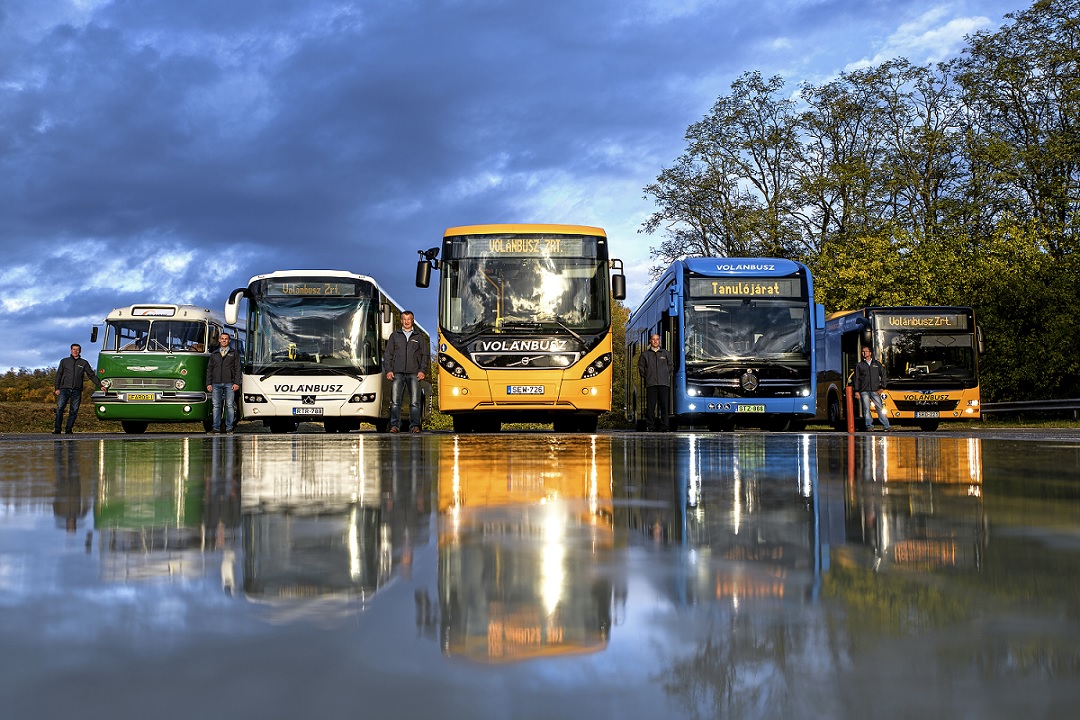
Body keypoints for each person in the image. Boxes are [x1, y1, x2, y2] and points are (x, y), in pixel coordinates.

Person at [384, 310, 429, 433]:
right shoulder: (395, 335)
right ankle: (394, 426)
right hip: (397, 373)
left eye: (409, 319)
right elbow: (388, 354)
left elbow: (425, 355)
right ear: (401, 321)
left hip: (414, 373)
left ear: (412, 320)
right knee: (395, 402)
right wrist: (388, 370)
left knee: (415, 402)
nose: (406, 321)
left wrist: (422, 370)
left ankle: (415, 426)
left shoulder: (418, 336)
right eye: (404, 319)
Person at [54, 343, 101, 434]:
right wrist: (57, 388)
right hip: (64, 389)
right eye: (74, 349)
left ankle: (68, 429)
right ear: (71, 350)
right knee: (60, 408)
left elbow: (91, 375)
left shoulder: (84, 363)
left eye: (77, 349)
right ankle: (57, 429)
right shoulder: (64, 361)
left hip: (77, 390)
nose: (75, 351)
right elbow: (58, 375)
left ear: (80, 351)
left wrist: (100, 386)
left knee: (74, 410)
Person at [205, 331, 242, 433]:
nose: (224, 340)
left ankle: (229, 427)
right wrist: (208, 383)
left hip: (229, 383)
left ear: (229, 341)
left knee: (229, 405)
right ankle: (215, 427)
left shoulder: (234, 353)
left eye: (226, 339)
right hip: (216, 383)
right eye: (222, 339)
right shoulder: (214, 354)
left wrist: (236, 383)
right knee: (216, 406)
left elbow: (238, 369)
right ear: (219, 340)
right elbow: (209, 369)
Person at [638, 333, 673, 431]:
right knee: (650, 407)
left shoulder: (666, 353)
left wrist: (665, 375)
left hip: (663, 383)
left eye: (657, 339)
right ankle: (650, 426)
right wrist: (648, 376)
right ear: (650, 341)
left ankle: (665, 426)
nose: (655, 341)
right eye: (653, 339)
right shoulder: (645, 354)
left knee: (664, 406)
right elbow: (641, 368)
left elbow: (670, 367)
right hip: (651, 384)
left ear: (659, 341)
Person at [853, 345, 892, 431]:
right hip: (864, 390)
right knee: (866, 409)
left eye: (865, 351)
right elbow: (856, 378)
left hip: (875, 390)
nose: (864, 353)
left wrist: (882, 387)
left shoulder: (877, 364)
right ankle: (869, 426)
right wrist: (856, 391)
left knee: (880, 408)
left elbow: (883, 375)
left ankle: (886, 426)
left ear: (870, 353)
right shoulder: (859, 365)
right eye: (863, 352)